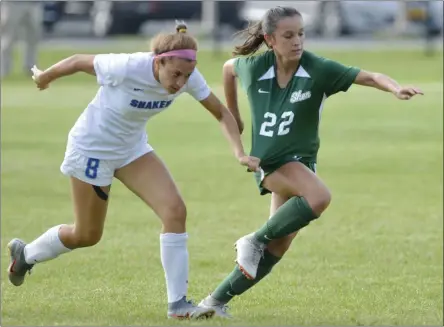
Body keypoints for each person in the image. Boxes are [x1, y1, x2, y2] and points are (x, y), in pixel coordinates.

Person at [6, 23, 260, 320]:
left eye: (187, 76)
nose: (180, 83)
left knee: (175, 211)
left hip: (131, 150)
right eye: (175, 74)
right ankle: (25, 255)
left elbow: (221, 113)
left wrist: (239, 152)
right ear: (158, 61)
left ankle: (178, 305)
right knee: (87, 234)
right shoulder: (127, 66)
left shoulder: (188, 76)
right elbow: (78, 61)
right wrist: (46, 76)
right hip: (92, 149)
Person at [198, 6, 424, 317]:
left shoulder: (317, 68)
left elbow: (370, 77)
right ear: (270, 39)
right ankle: (253, 239)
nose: (297, 41)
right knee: (319, 197)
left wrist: (395, 88)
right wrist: (234, 113)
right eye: (288, 35)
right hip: (270, 161)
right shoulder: (254, 67)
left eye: (301, 33)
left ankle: (213, 302)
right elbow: (227, 68)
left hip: (302, 165)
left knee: (276, 249)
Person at [1, 1, 42, 78]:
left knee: (33, 39)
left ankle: (31, 67)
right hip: (13, 4)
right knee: (8, 38)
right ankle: (4, 69)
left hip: (34, 4)